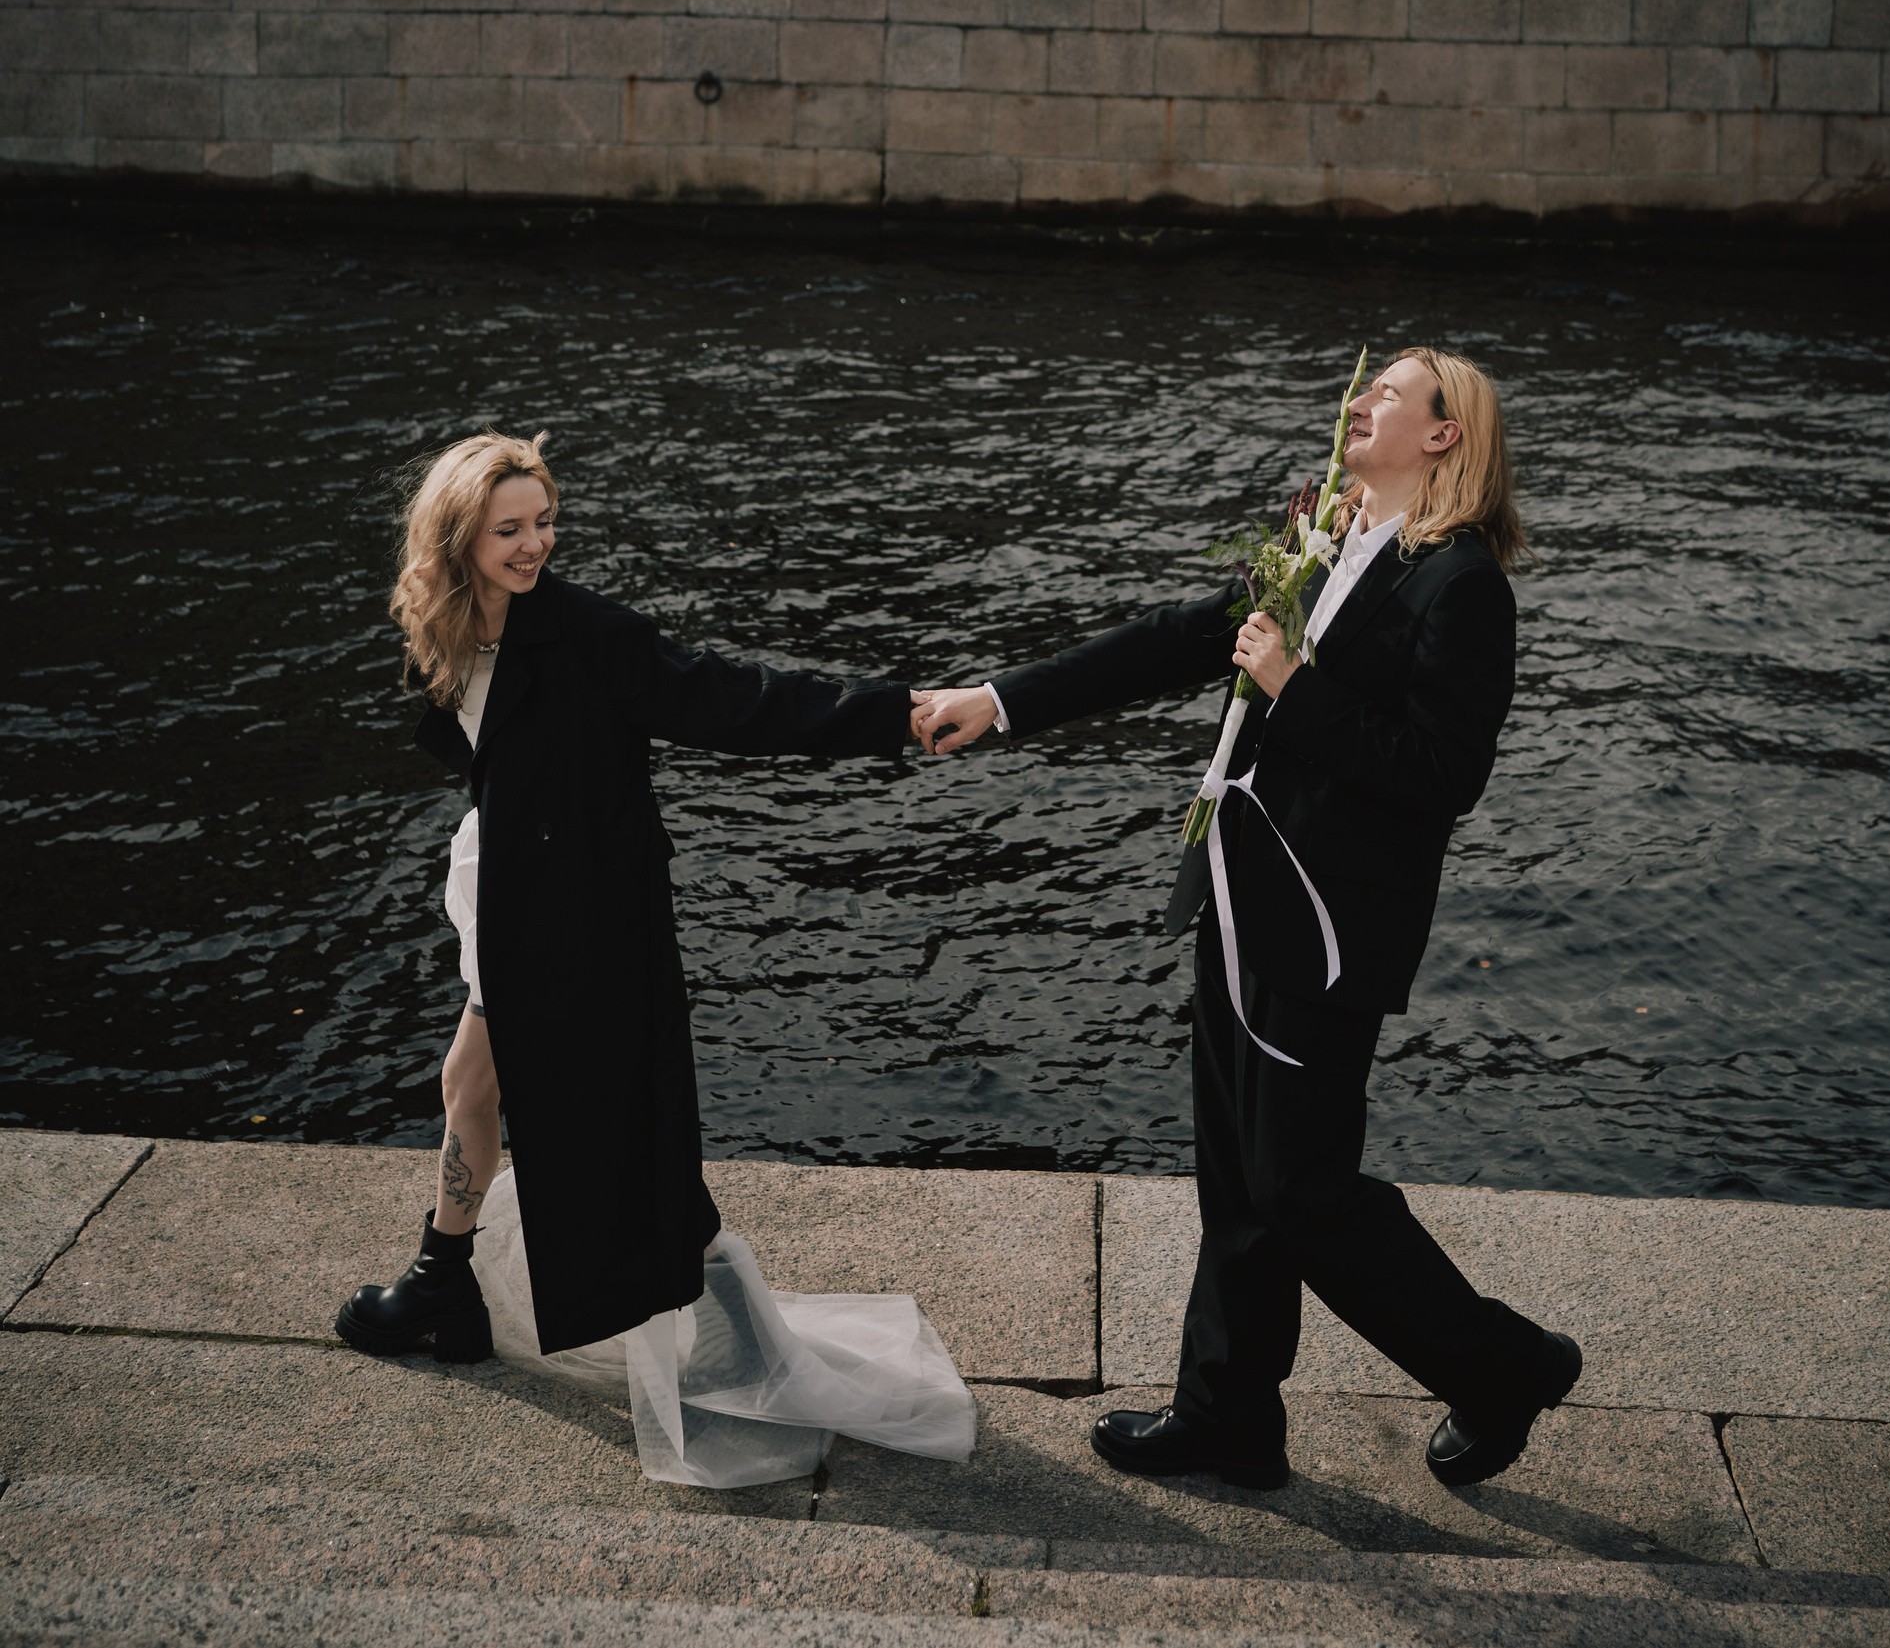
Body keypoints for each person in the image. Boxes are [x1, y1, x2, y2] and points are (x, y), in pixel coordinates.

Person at [911, 347, 1580, 1496]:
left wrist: (1291, 686)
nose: (1361, 399)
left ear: (1445, 434)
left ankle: (1507, 1365)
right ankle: (1228, 1415)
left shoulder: (1463, 584)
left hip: (1329, 927)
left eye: (1389, 392)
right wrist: (1001, 698)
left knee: (1301, 1192)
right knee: (1236, 1175)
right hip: (1243, 891)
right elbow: (1181, 636)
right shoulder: (1326, 538)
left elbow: (1443, 772)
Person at [334, 430, 973, 1485]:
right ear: (454, 536)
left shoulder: (590, 633)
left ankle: (702, 1326)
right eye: (509, 528)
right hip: (506, 890)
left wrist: (893, 715)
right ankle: (445, 1279)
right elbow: (481, 748)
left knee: (616, 1122)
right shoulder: (444, 623)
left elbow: (738, 700)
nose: (535, 544)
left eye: (544, 522)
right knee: (474, 1084)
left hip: (579, 912)